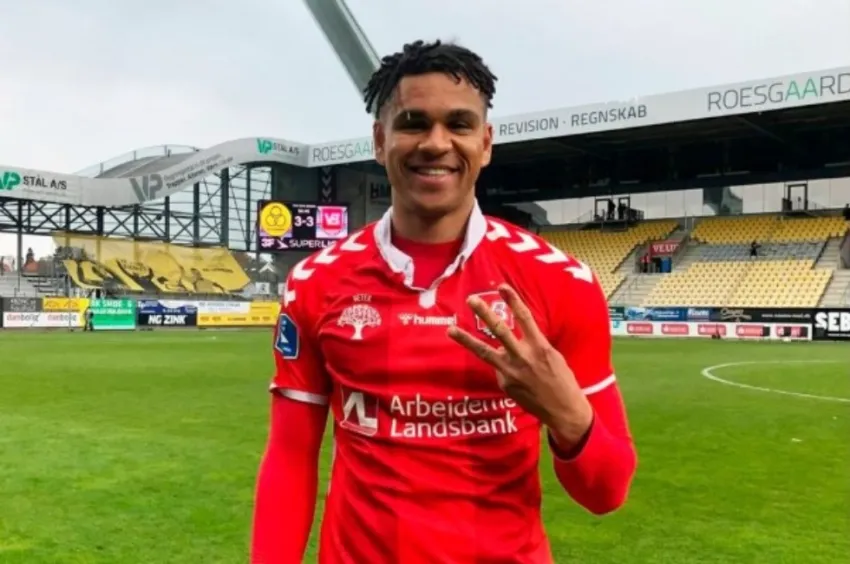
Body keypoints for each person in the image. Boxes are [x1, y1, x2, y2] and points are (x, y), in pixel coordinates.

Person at [251, 40, 637, 564]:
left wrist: (569, 415)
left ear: (486, 143)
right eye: (414, 123)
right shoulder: (317, 282)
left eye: (459, 124)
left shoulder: (561, 281)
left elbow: (606, 493)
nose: (436, 143)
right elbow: (290, 459)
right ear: (380, 139)